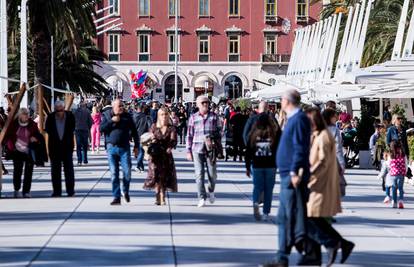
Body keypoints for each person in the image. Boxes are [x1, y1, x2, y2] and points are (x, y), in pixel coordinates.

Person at [267, 90, 315, 267]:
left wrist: (295, 171)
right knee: (285, 217)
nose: (280, 103)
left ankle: (306, 252)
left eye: (281, 100)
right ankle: (283, 256)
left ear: (286, 101)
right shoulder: (294, 119)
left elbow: (300, 147)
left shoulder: (299, 119)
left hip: (292, 175)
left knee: (293, 217)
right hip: (287, 174)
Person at [306, 107, 354, 266]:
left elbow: (323, 160)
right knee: (314, 217)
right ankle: (338, 243)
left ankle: (333, 244)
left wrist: (309, 176)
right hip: (318, 181)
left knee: (311, 217)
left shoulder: (324, 136)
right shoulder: (319, 134)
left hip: (321, 182)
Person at [186, 95, 223, 208]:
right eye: (203, 102)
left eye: (207, 102)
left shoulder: (214, 117)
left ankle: (211, 190)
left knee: (212, 175)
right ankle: (201, 197)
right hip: (197, 148)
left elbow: (220, 131)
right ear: (197, 105)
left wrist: (213, 138)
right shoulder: (193, 117)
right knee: (199, 174)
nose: (205, 104)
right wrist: (188, 150)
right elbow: (189, 135)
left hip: (211, 149)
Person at [100, 99, 139, 205]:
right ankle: (116, 197)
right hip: (111, 148)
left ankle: (125, 190)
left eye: (122, 106)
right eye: (119, 106)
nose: (122, 107)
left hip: (124, 148)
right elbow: (101, 128)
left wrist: (136, 147)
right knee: (114, 173)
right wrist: (112, 121)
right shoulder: (107, 115)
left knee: (127, 172)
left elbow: (135, 132)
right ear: (113, 107)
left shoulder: (127, 116)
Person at [245, 113, 281, 221]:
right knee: (268, 189)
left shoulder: (253, 134)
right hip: (271, 165)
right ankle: (266, 212)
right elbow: (279, 148)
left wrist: (247, 166)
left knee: (257, 187)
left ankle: (256, 202)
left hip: (257, 165)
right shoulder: (274, 134)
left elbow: (248, 151)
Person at [144, 108, 178, 205]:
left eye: (165, 114)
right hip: (155, 155)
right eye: (162, 114)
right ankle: (157, 196)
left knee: (163, 176)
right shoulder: (154, 127)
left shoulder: (171, 128)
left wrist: (170, 147)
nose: (164, 116)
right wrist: (152, 140)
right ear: (159, 116)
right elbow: (148, 138)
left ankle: (162, 196)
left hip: (166, 156)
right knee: (155, 176)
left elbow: (173, 140)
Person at [4, 108, 40, 198]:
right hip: (17, 151)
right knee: (17, 171)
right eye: (24, 114)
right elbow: (8, 136)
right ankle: (16, 189)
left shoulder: (32, 124)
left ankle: (26, 191)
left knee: (29, 172)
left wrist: (35, 138)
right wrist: (11, 148)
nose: (27, 115)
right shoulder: (14, 124)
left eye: (27, 114)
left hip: (29, 151)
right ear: (20, 115)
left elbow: (37, 135)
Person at [45, 101, 76, 197]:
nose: (59, 112)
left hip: (67, 147)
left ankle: (70, 191)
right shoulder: (50, 117)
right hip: (54, 148)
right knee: (55, 171)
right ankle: (57, 191)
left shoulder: (70, 116)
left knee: (69, 170)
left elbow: (72, 129)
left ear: (64, 109)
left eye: (61, 110)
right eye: (57, 110)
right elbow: (47, 130)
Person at [322, 108, 347, 196]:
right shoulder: (334, 130)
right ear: (330, 117)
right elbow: (338, 149)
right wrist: (342, 164)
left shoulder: (318, 128)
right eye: (334, 116)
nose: (336, 118)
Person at [386, 141, 406, 209]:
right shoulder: (403, 154)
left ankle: (394, 202)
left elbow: (388, 165)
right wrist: (405, 171)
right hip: (401, 174)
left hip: (393, 174)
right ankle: (401, 201)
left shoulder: (391, 155)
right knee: (400, 188)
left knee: (394, 188)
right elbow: (406, 164)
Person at [133, 103, 152, 172]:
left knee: (140, 152)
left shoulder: (134, 116)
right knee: (141, 151)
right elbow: (150, 126)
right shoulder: (146, 117)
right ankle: (140, 167)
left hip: (136, 136)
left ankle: (139, 166)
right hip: (144, 136)